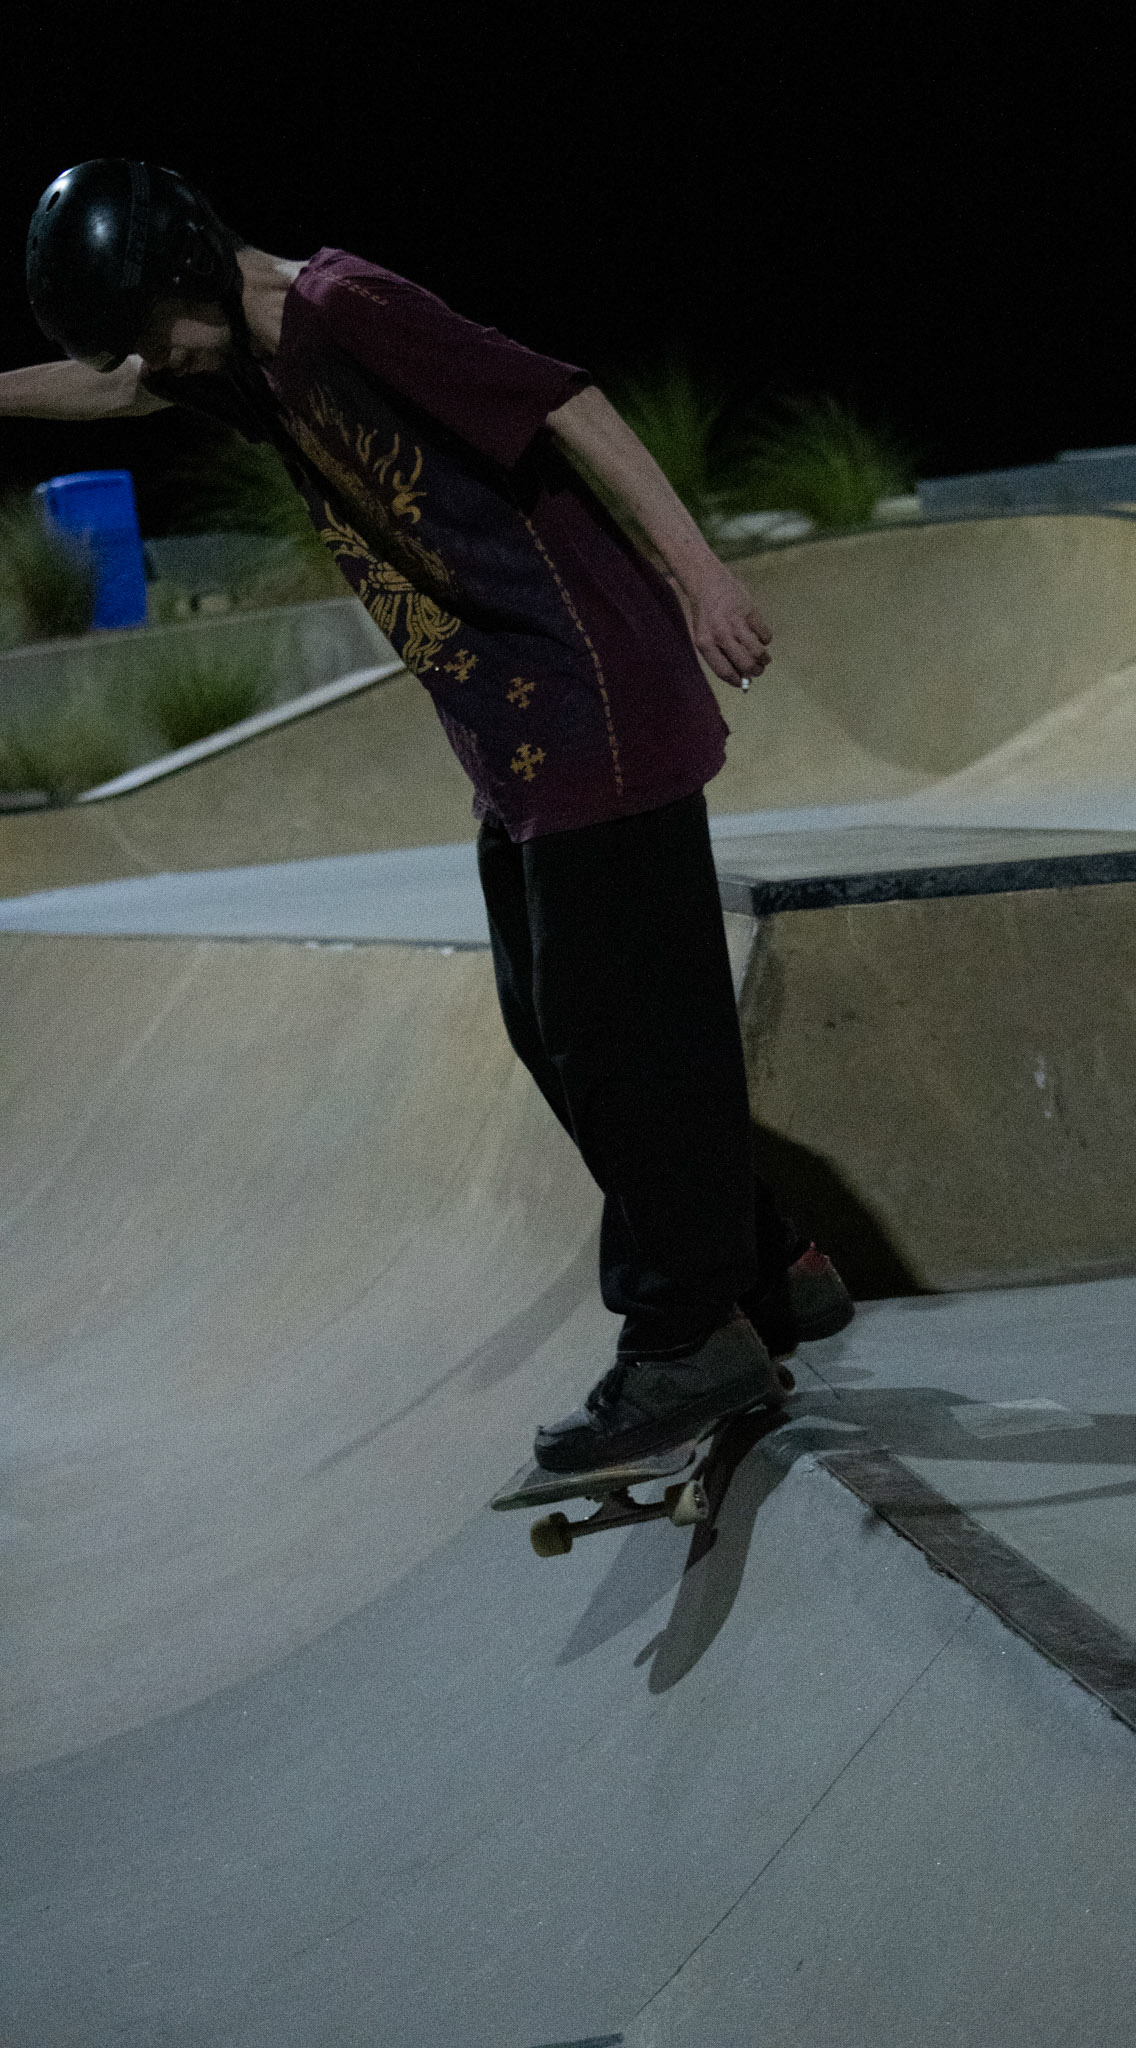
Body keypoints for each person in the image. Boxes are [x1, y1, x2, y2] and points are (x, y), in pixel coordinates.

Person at [12, 158, 854, 1473]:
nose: (153, 364)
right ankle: (771, 1261)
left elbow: (566, 400)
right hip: (520, 743)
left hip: (596, 702)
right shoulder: (236, 356)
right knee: (551, 1031)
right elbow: (117, 384)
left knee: (624, 1046)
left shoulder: (349, 310)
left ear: (193, 269)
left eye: (152, 332)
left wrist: (701, 578)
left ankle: (687, 1338)